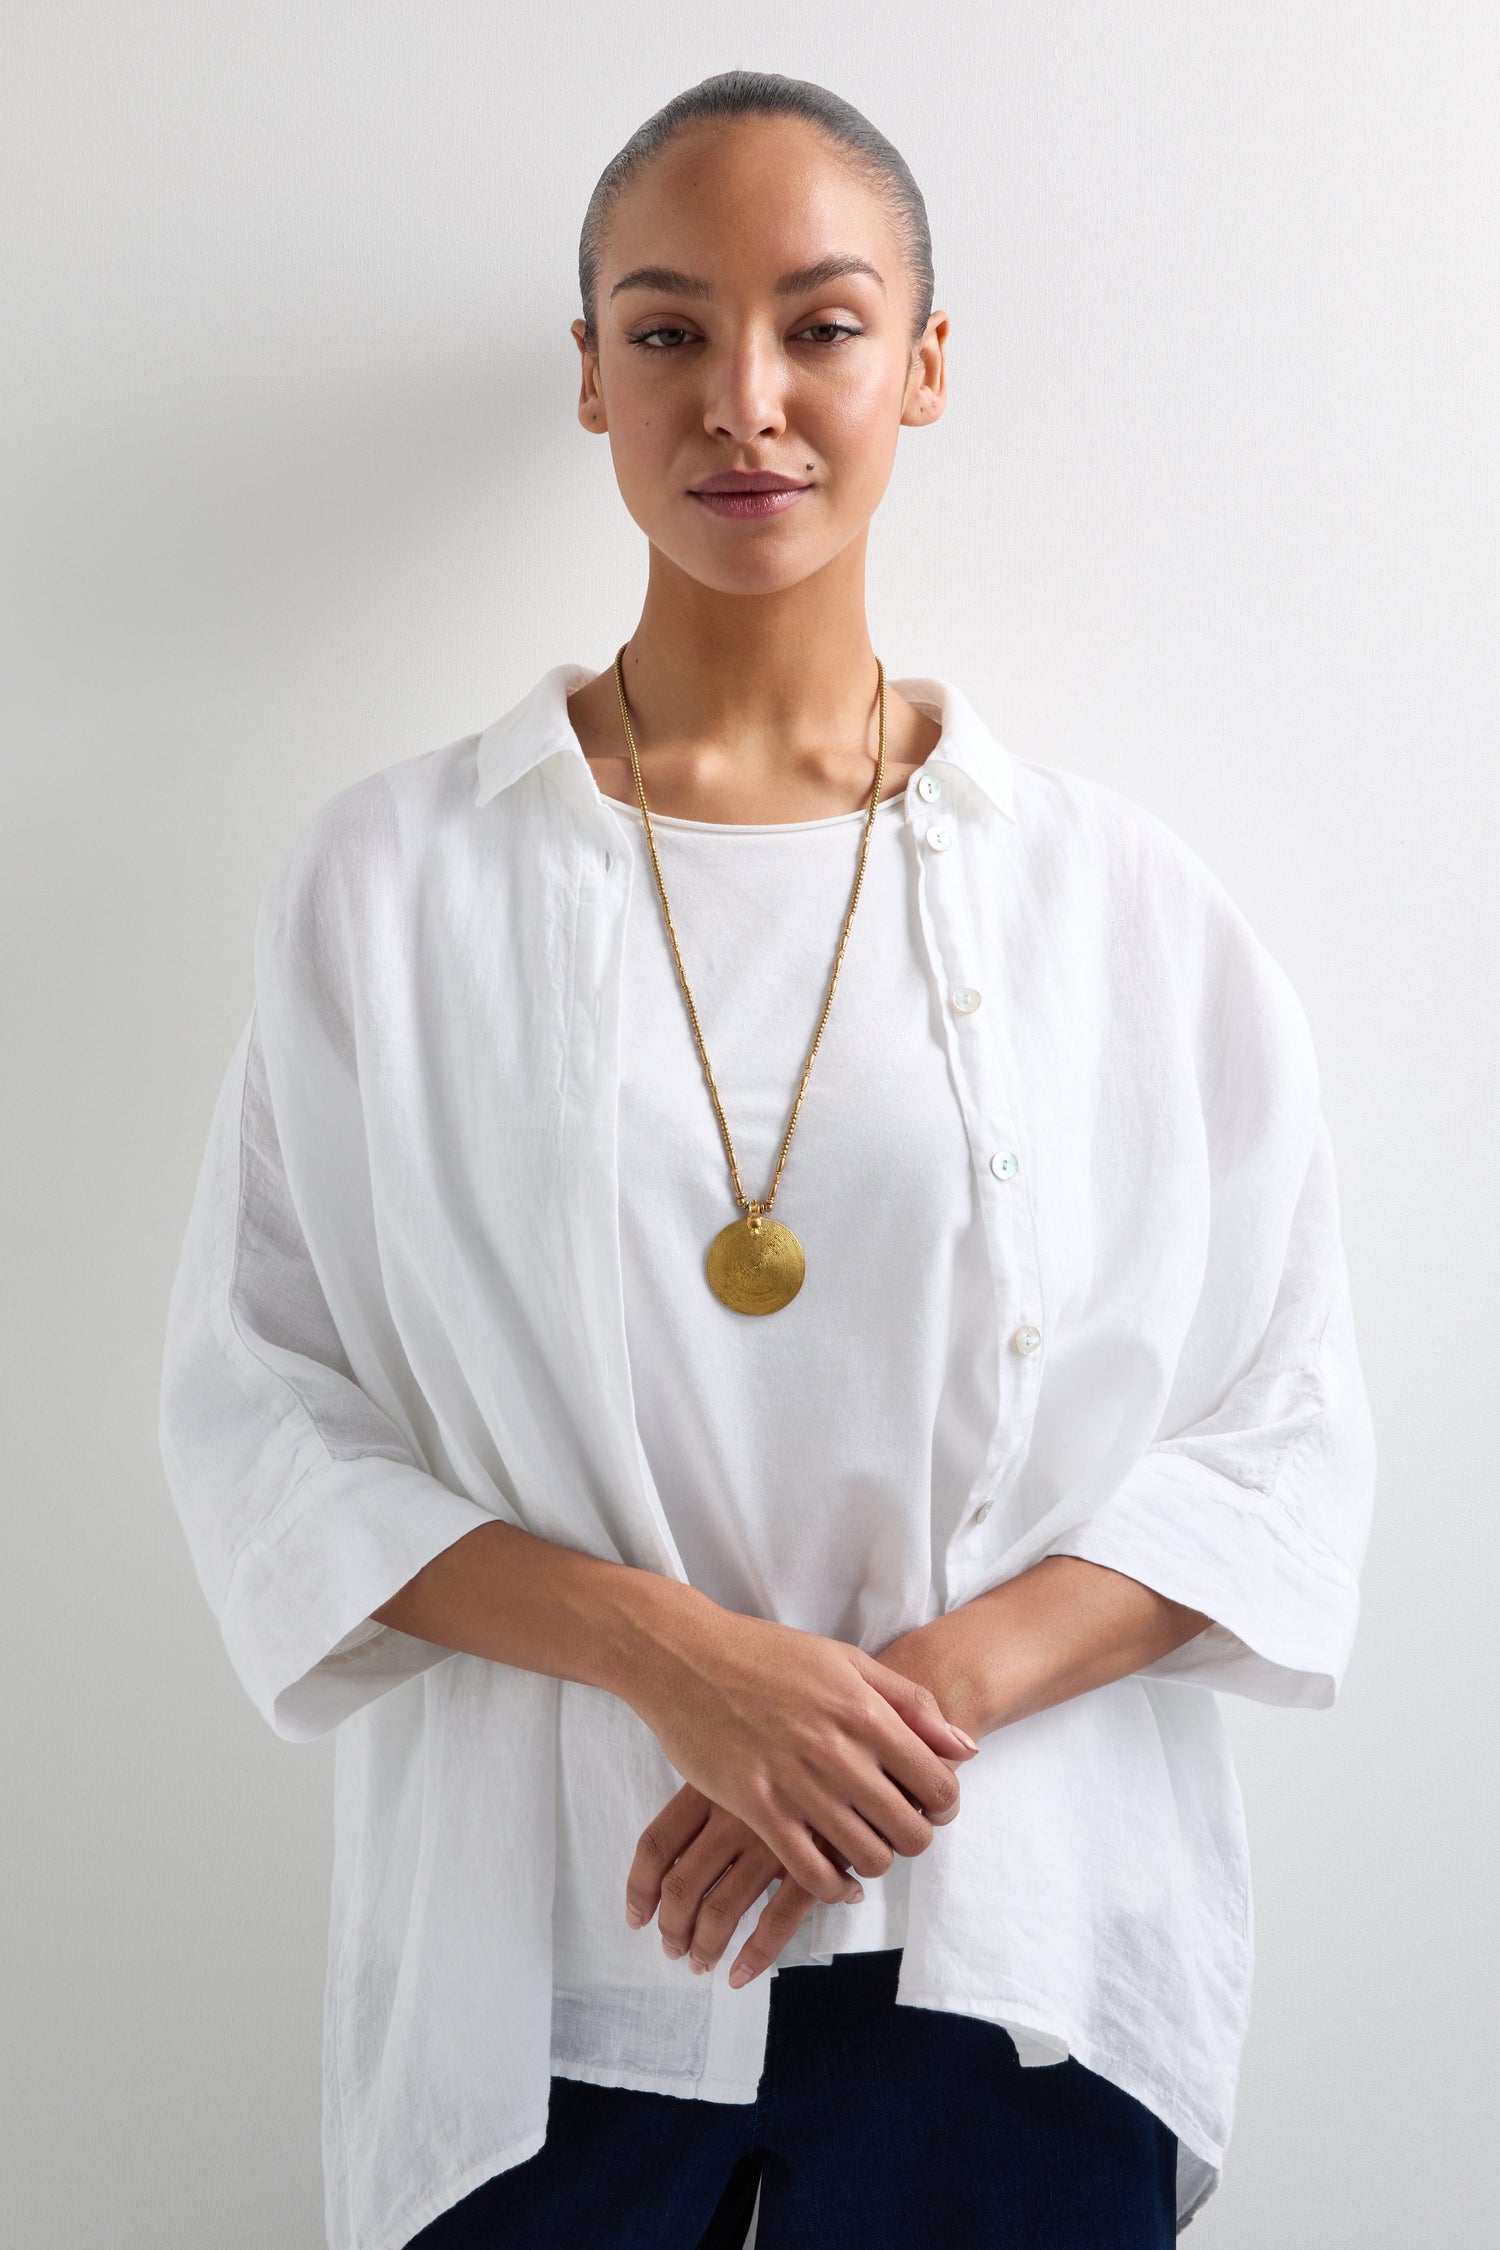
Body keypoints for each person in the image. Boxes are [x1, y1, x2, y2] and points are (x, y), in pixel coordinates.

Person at [158, 68, 1377, 2250]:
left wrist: (901, 1715)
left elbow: (1284, 1439)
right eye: (665, 327)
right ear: (590, 375)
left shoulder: (1123, 906)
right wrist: (672, 1661)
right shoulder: (389, 884)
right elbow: (266, 1412)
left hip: (1007, 1949)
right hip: (556, 1958)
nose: (746, 398)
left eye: (821, 324)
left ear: (922, 362)